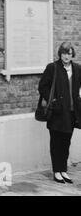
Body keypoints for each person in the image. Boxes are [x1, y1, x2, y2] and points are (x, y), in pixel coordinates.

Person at [38, 41, 81, 184]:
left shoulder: (77, 68)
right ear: (60, 54)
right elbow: (42, 86)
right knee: (56, 142)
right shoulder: (53, 68)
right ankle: (57, 171)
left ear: (72, 54)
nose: (66, 56)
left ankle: (63, 170)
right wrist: (54, 101)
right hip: (56, 113)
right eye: (64, 53)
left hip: (71, 112)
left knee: (66, 142)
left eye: (69, 53)